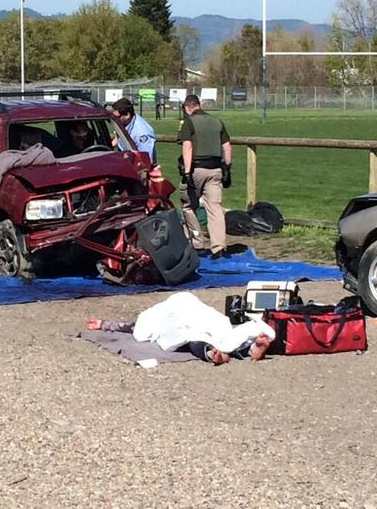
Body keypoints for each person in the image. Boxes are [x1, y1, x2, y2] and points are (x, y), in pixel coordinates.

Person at [85, 291, 274, 365]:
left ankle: (213, 354)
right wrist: (102, 324)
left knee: (191, 338)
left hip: (187, 312)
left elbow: (133, 327)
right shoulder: (160, 311)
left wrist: (103, 324)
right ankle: (248, 347)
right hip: (198, 313)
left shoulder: (156, 314)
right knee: (222, 331)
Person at [177, 94, 233, 259]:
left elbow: (187, 146)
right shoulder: (217, 121)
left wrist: (187, 172)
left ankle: (198, 243)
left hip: (197, 168)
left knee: (188, 206)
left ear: (187, 108)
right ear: (199, 105)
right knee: (215, 208)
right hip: (216, 169)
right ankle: (219, 247)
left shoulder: (189, 122)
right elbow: (227, 147)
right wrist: (227, 168)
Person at [111, 97, 156, 163]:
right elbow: (118, 138)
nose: (114, 119)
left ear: (127, 115)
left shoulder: (141, 133)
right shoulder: (124, 122)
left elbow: (147, 159)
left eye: (117, 117)